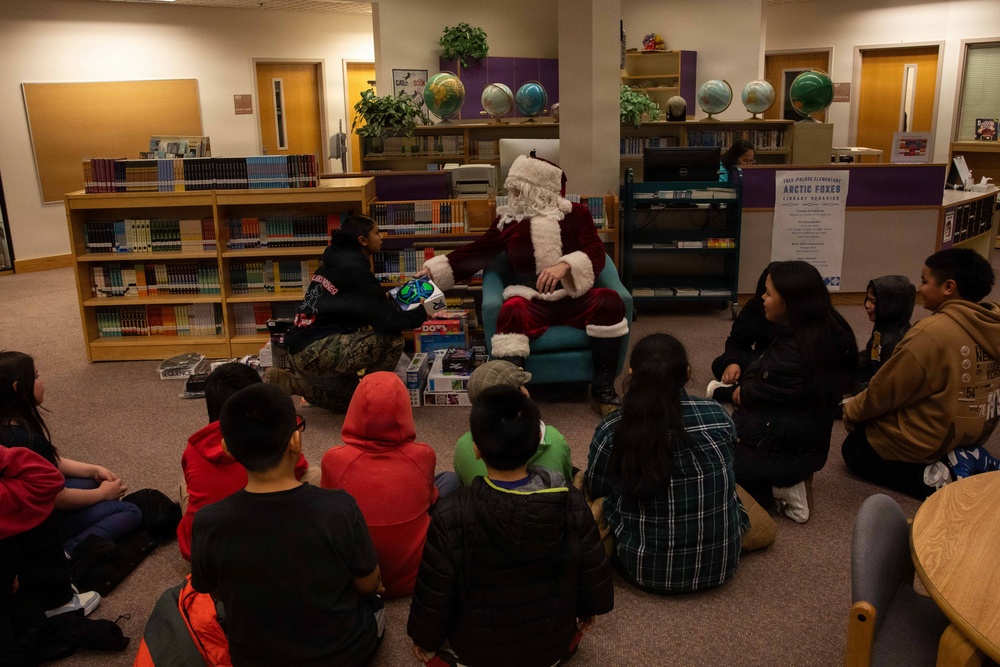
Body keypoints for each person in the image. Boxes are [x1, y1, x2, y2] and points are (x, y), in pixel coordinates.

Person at [407, 385, 614, 667]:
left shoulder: (451, 513)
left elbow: (435, 592)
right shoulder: (571, 501)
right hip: (552, 650)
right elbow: (592, 570)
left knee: (433, 655)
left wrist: (425, 639)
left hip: (476, 652)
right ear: (534, 445)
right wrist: (588, 610)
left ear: (477, 450)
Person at [417, 154, 629, 416]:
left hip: (574, 297)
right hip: (532, 300)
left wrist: (566, 265)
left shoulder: (577, 215)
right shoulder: (508, 222)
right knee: (511, 310)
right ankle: (514, 394)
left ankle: (603, 390)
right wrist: (432, 273)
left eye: (518, 187)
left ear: (536, 188)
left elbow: (596, 253)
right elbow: (476, 254)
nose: (512, 193)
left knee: (609, 301)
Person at [191, 383, 385, 667]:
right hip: (343, 655)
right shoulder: (338, 507)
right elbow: (368, 584)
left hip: (254, 659)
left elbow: (217, 593)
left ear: (227, 449)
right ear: (295, 442)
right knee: (377, 604)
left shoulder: (208, 521)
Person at [585, 333, 774, 595]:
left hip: (644, 570)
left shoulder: (611, 428)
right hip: (723, 565)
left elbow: (596, 487)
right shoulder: (718, 414)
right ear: (687, 372)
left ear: (631, 373)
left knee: (589, 503)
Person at [842, 248, 1000, 498]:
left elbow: (885, 391)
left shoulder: (931, 332)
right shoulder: (993, 322)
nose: (921, 287)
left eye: (925, 281)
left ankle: (944, 478)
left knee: (855, 449)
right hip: (975, 431)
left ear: (949, 287)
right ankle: (968, 456)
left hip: (935, 439)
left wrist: (850, 411)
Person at [732, 261, 857, 523]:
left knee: (712, 464)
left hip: (779, 452)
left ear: (790, 300)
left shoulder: (792, 353)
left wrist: (748, 380)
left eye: (767, 293)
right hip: (807, 445)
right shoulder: (830, 329)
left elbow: (749, 391)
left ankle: (781, 488)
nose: (761, 298)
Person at [267, 214, 429, 412]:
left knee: (352, 402)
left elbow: (353, 307)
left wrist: (380, 301)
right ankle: (375, 396)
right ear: (363, 240)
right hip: (317, 351)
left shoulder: (333, 262)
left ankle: (293, 384)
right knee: (392, 340)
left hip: (303, 349)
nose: (382, 237)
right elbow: (388, 323)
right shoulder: (355, 270)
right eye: (377, 233)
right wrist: (421, 313)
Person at [0, 351, 142, 556]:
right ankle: (67, 553)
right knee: (129, 512)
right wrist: (103, 494)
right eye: (37, 376)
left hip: (19, 512)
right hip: (31, 526)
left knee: (90, 483)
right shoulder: (24, 439)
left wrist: (93, 470)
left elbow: (48, 463)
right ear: (18, 388)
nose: (42, 380)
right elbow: (59, 499)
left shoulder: (10, 424)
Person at [176, 362, 314, 562]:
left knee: (185, 482)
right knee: (314, 474)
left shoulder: (194, 448)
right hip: (269, 548)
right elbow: (299, 467)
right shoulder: (273, 435)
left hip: (202, 554)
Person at [320, 371, 441, 598]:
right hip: (414, 579)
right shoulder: (424, 454)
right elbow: (431, 498)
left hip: (358, 582)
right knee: (448, 481)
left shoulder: (333, 459)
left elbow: (328, 514)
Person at [452, 359, 573, 486]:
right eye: (522, 386)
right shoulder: (555, 440)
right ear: (523, 397)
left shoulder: (464, 447)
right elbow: (566, 482)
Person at [707, 262, 782, 400]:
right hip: (761, 358)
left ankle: (741, 392)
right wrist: (733, 362)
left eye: (769, 293)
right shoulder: (756, 306)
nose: (764, 297)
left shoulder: (802, 322)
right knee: (720, 364)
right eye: (764, 292)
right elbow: (736, 341)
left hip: (783, 366)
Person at [854, 275, 915, 392]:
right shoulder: (883, 325)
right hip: (874, 377)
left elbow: (887, 387)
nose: (867, 304)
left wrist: (854, 388)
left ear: (892, 306)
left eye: (873, 301)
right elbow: (871, 354)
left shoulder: (897, 343)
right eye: (867, 299)